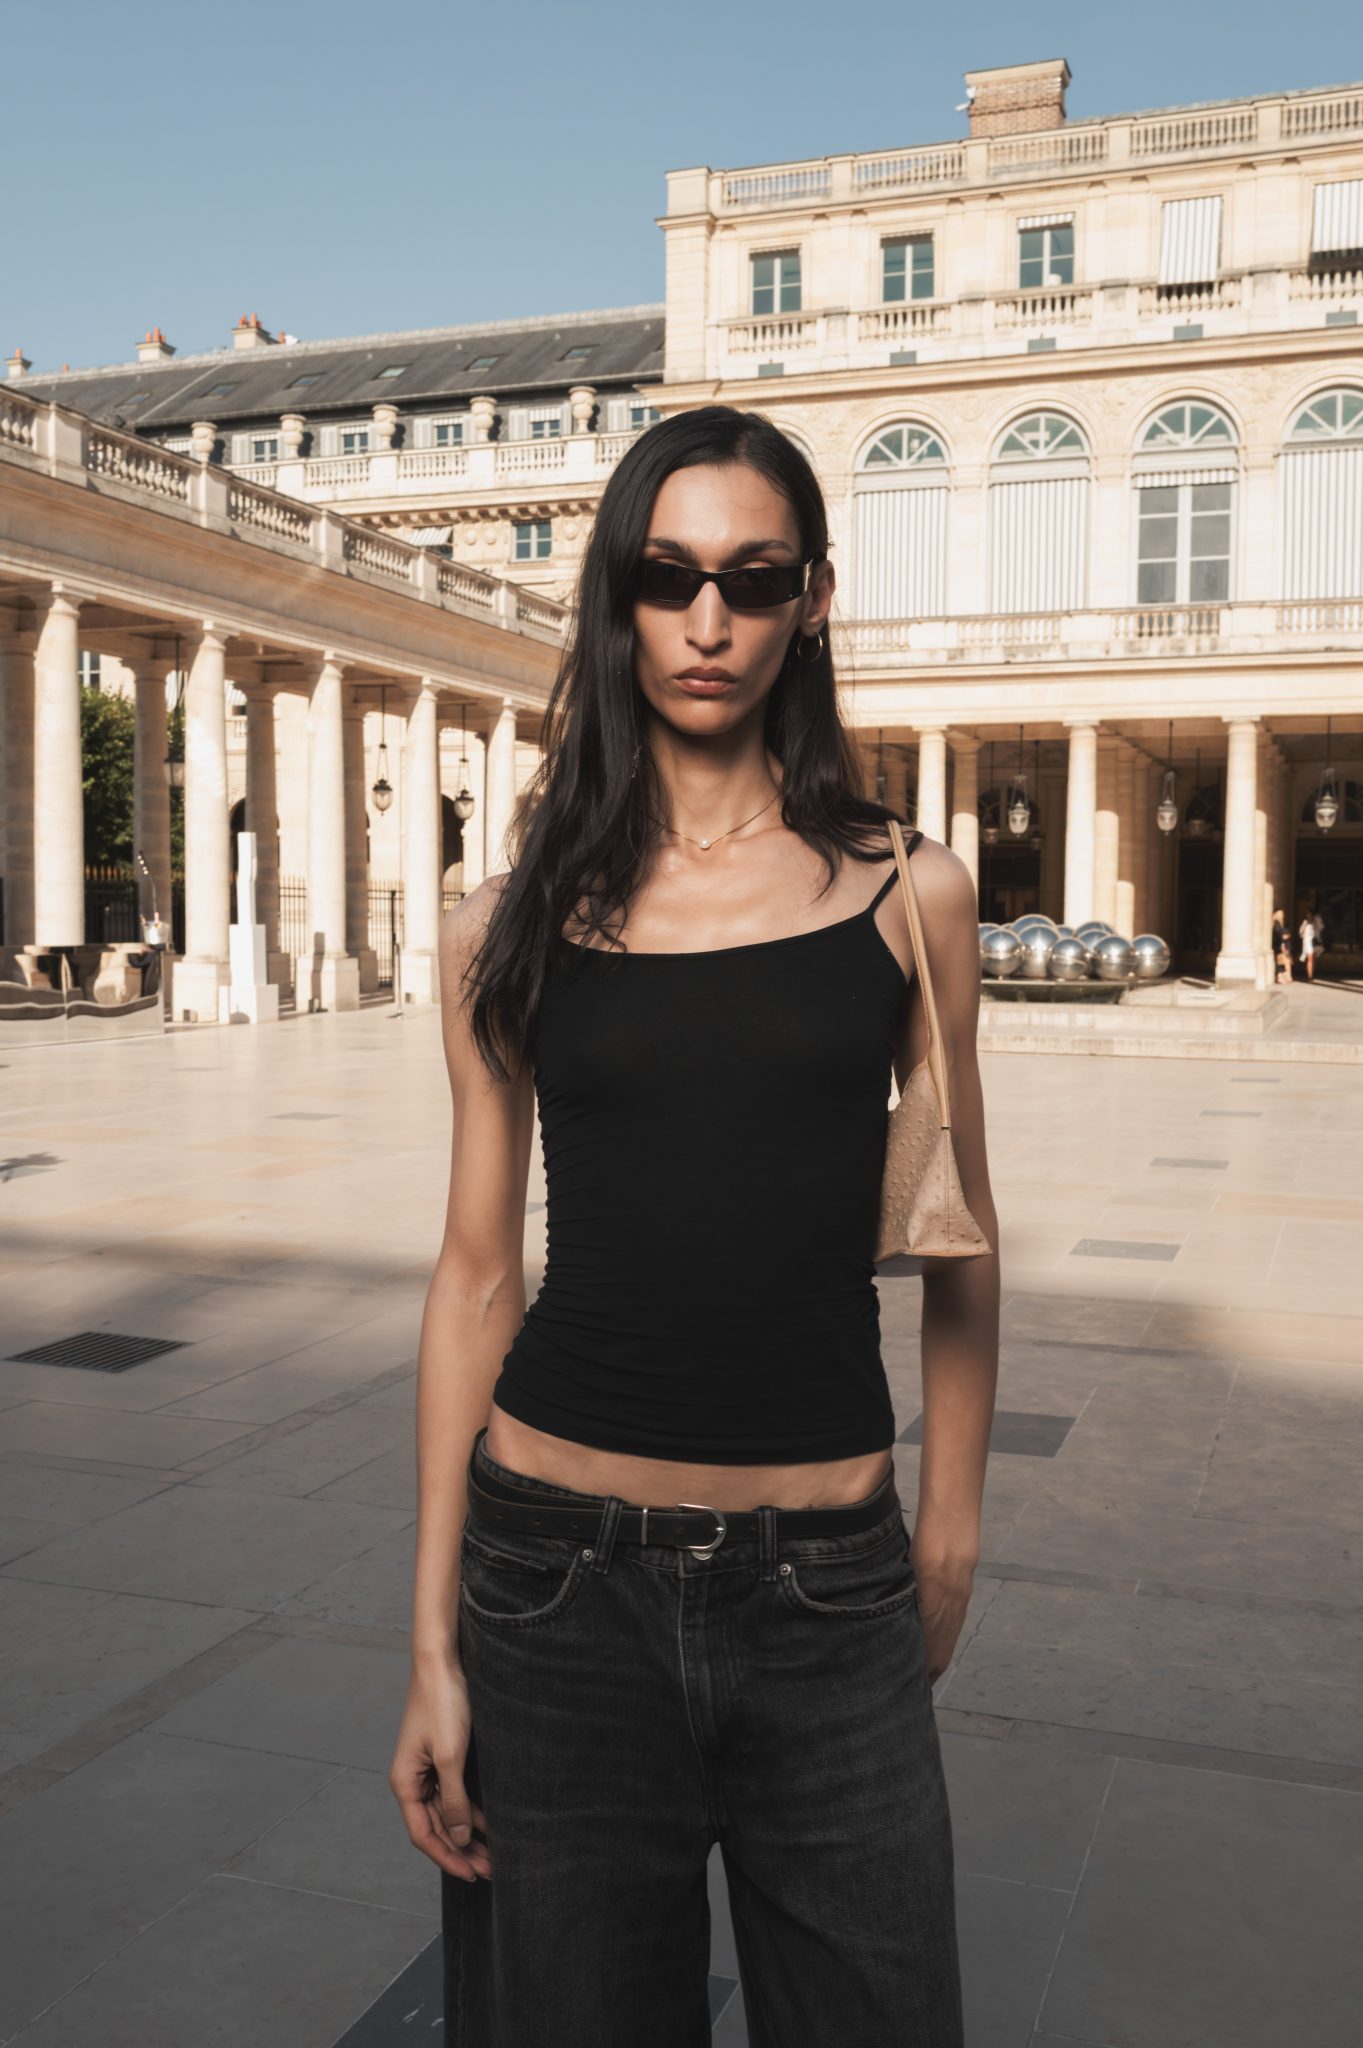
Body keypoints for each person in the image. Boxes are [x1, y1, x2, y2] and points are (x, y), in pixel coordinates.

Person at [388, 405, 1000, 2047]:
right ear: (617, 600)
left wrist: (942, 1530)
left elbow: (960, 1239)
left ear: (810, 599)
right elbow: (470, 1274)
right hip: (553, 1587)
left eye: (752, 574)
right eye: (667, 576)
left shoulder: (903, 890)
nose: (708, 617)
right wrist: (430, 1642)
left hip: (828, 1590)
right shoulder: (499, 927)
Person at [1271, 907, 1291, 985]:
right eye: (1280, 913)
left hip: (1277, 944)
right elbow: (1279, 935)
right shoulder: (1277, 923)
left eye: (1282, 913)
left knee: (1280, 961)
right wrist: (1283, 943)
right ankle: (1279, 977)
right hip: (1278, 945)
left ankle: (1281, 977)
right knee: (1279, 961)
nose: (1282, 915)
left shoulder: (1278, 923)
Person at [1300, 908, 1319, 981]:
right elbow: (1301, 933)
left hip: (1314, 941)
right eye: (1307, 913)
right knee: (1310, 958)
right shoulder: (1305, 922)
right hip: (1307, 941)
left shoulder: (1315, 921)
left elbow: (1319, 930)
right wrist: (1304, 927)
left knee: (1313, 959)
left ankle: (1311, 973)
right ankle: (1309, 976)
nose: (1308, 915)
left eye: (1309, 913)